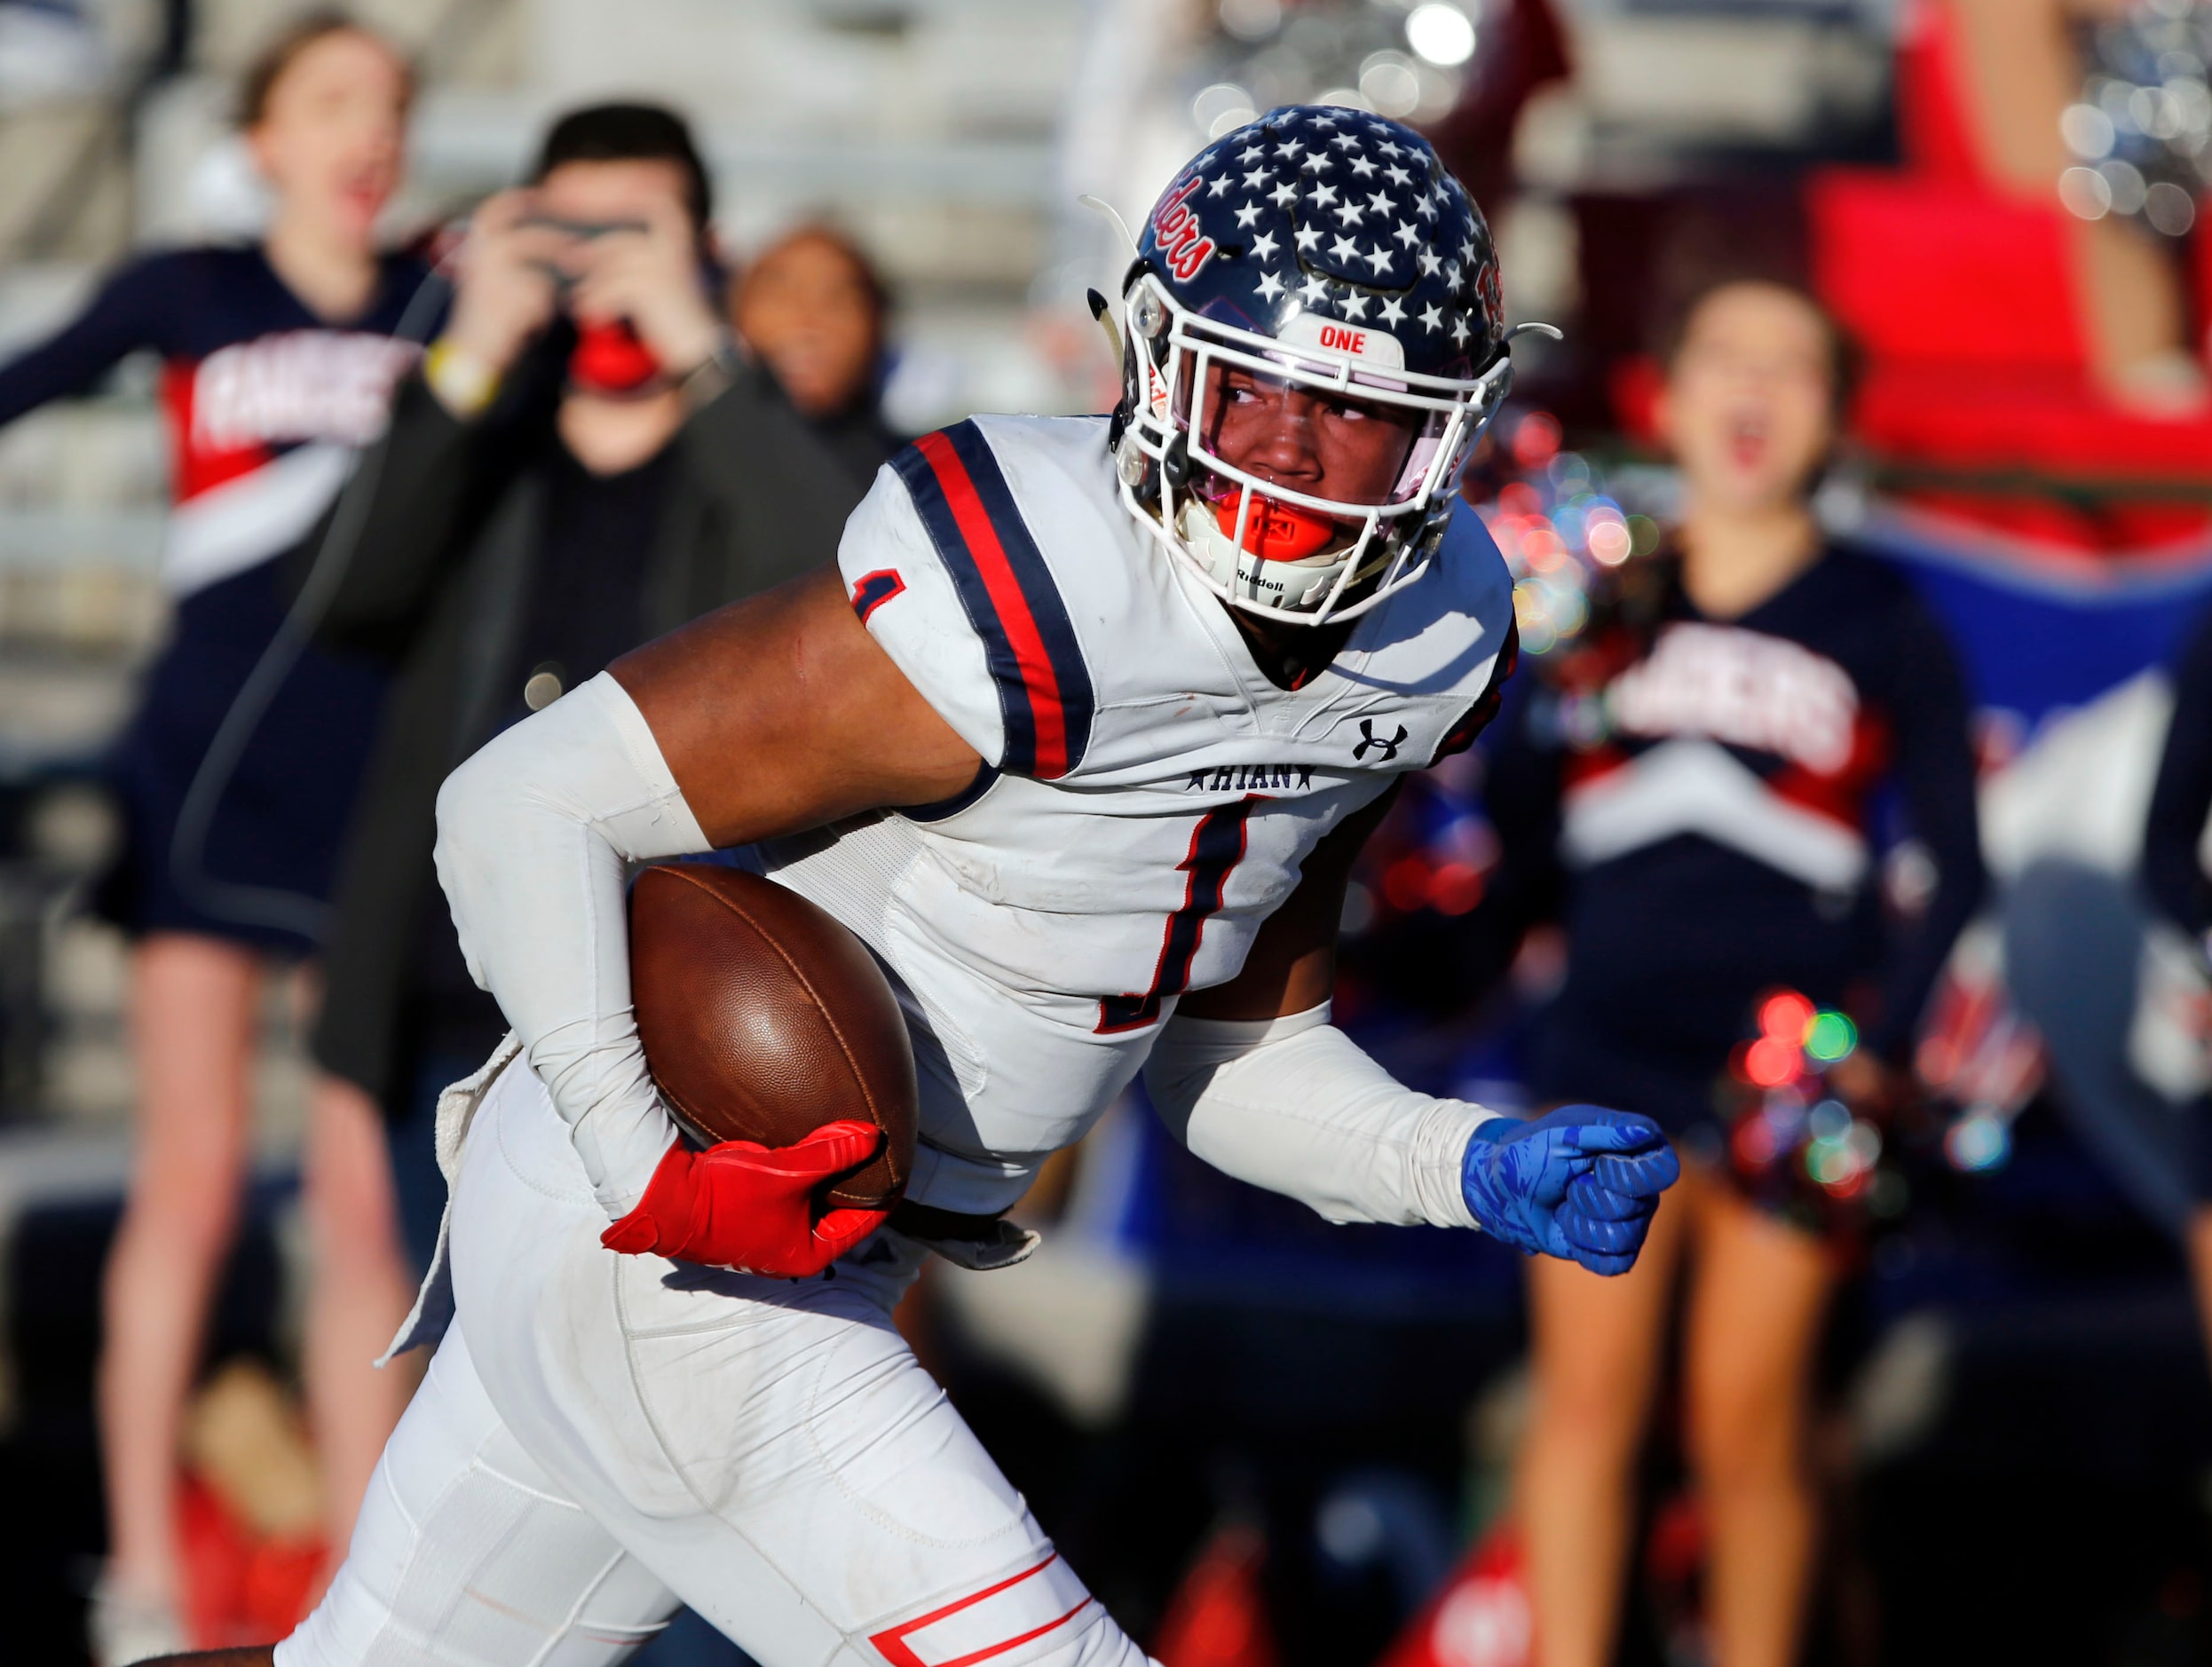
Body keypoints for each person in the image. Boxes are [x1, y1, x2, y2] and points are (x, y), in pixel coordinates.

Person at [139, 107, 1679, 1667]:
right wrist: (639, 1154)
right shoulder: (1035, 582)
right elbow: (517, 802)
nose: (1282, 453)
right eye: (1251, 383)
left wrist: (1460, 1161)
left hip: (772, 1250)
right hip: (678, 1232)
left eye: (1349, 410)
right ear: (1153, 353)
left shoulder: (1424, 643)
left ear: (1444, 432)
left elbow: (1224, 1050)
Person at [0, 14, 430, 1660]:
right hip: (205, 762)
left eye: (390, 107)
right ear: (262, 134)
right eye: (331, 102)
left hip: (373, 784)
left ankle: (362, 1591)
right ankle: (140, 1572)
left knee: (360, 1208)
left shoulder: (441, 298)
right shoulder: (191, 284)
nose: (365, 133)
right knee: (185, 1179)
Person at [1477, 280, 1986, 1667]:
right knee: (1585, 1411)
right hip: (1600, 1048)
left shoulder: (1881, 611)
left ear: (1836, 413)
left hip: (1793, 1078)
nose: (1757, 391)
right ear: (1665, 392)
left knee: (1746, 1421)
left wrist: (1879, 1047)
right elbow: (1510, 823)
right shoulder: (1597, 593)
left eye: (1796, 367)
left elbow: (1958, 863)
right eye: (1727, 358)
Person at [301, 101, 874, 1285]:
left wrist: (696, 345)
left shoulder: (752, 438)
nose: (600, 266)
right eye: (571, 232)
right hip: (448, 996)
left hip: (663, 1013)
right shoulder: (479, 427)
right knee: (472, 1365)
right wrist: (472, 345)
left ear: (706, 251)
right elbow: (344, 595)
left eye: (635, 232)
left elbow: (850, 602)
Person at [731, 221, 901, 475]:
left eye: (838, 300)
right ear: (735, 312)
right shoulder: (679, 470)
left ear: (878, 323)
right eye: (779, 294)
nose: (806, 321)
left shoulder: (920, 484)